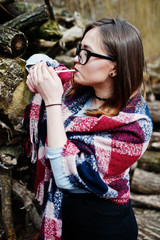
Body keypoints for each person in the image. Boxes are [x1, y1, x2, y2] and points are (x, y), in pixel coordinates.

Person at [23, 17, 153, 240]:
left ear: (115, 66)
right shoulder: (80, 91)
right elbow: (39, 60)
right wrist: (39, 72)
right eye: (79, 48)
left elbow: (66, 176)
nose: (76, 58)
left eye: (86, 53)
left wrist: (52, 101)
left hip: (101, 227)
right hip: (61, 215)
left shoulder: (135, 127)